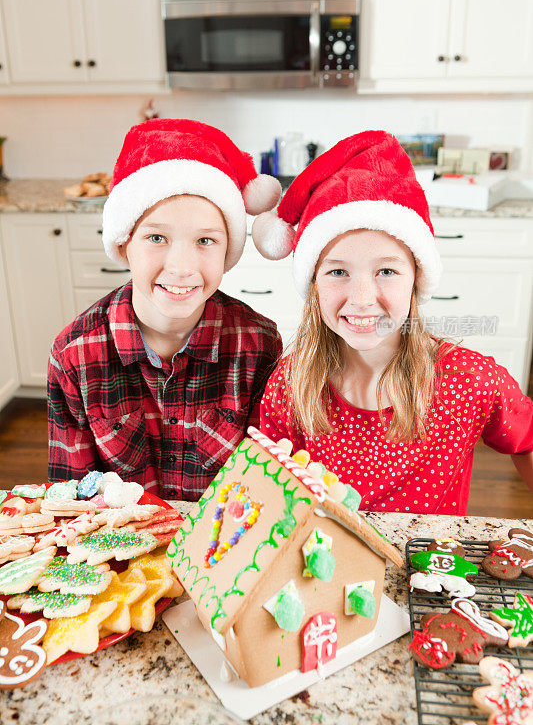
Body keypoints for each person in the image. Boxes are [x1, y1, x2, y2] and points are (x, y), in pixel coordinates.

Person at [254, 130, 533, 515]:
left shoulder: (468, 380)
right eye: (338, 272)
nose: (363, 298)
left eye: (386, 270)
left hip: (430, 570)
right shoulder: (291, 383)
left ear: (416, 278)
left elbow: (526, 439)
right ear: (313, 283)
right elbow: (265, 487)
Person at [48, 118, 283, 500]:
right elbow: (70, 500)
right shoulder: (74, 355)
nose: (180, 267)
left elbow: (264, 488)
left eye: (205, 240)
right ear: (124, 244)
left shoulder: (260, 345)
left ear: (228, 252)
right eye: (157, 237)